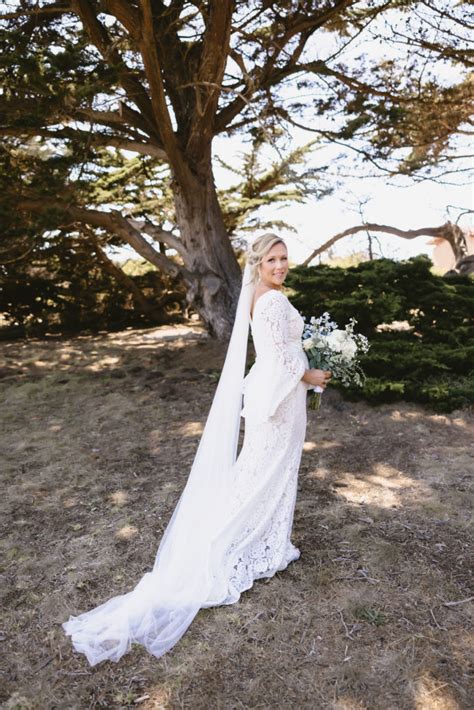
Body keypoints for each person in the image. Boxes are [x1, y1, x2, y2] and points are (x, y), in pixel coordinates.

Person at [62, 233, 331, 666]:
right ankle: (247, 544)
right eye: (272, 260)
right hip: (280, 399)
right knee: (267, 472)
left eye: (284, 258)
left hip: (268, 395)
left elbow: (273, 353)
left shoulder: (258, 295)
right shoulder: (274, 301)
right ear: (257, 263)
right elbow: (282, 360)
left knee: (260, 470)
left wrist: (300, 366)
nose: (280, 265)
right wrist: (311, 374)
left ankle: (266, 540)